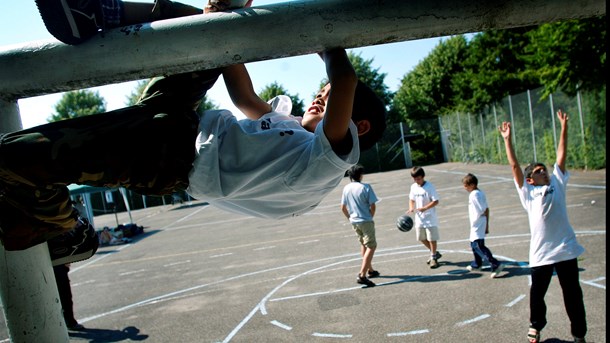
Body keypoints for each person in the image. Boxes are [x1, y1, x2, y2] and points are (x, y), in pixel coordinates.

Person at [0, 0, 387, 265]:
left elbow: (345, 77)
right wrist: (226, 21)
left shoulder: (326, 160)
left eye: (326, 99)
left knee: (16, 158)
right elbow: (243, 95)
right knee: (196, 23)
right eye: (318, 96)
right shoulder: (289, 127)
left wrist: (325, 38)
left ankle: (65, 230)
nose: (316, 102)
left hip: (171, 156)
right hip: (184, 118)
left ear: (359, 125)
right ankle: (93, 12)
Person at [499, 109, 587, 343]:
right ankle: (536, 326)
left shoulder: (557, 181)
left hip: (566, 248)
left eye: (544, 170)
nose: (544, 173)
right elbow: (515, 167)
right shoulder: (528, 192)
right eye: (538, 172)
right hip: (541, 252)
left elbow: (561, 155)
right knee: (537, 294)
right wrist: (508, 141)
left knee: (573, 295)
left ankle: (579, 334)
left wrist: (564, 127)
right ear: (530, 180)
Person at [340, 164, 380, 288]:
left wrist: (350, 218)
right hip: (365, 220)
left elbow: (343, 207)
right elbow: (373, 205)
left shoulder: (346, 188)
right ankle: (362, 275)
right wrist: (370, 216)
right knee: (372, 246)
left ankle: (370, 270)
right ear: (360, 175)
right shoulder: (366, 187)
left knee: (364, 244)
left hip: (354, 221)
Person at [461, 173, 504, 278]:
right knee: (473, 244)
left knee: (478, 245)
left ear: (472, 185)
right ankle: (477, 264)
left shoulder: (474, 194)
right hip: (478, 222)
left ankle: (495, 264)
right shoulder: (479, 193)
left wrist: (484, 224)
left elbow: (483, 210)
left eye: (466, 185)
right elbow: (486, 209)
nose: (464, 187)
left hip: (478, 222)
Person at [406, 166, 441, 268]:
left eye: (418, 178)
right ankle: (434, 252)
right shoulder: (413, 187)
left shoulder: (430, 187)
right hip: (419, 218)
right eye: (414, 179)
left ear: (423, 176)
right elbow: (411, 199)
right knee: (421, 238)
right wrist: (411, 208)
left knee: (431, 238)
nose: (416, 180)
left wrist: (425, 208)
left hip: (430, 217)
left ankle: (433, 258)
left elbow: (436, 201)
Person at [52, 263, 85, 331]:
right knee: (65, 297)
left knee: (64, 297)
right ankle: (69, 322)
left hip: (56, 267)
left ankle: (68, 322)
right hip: (56, 267)